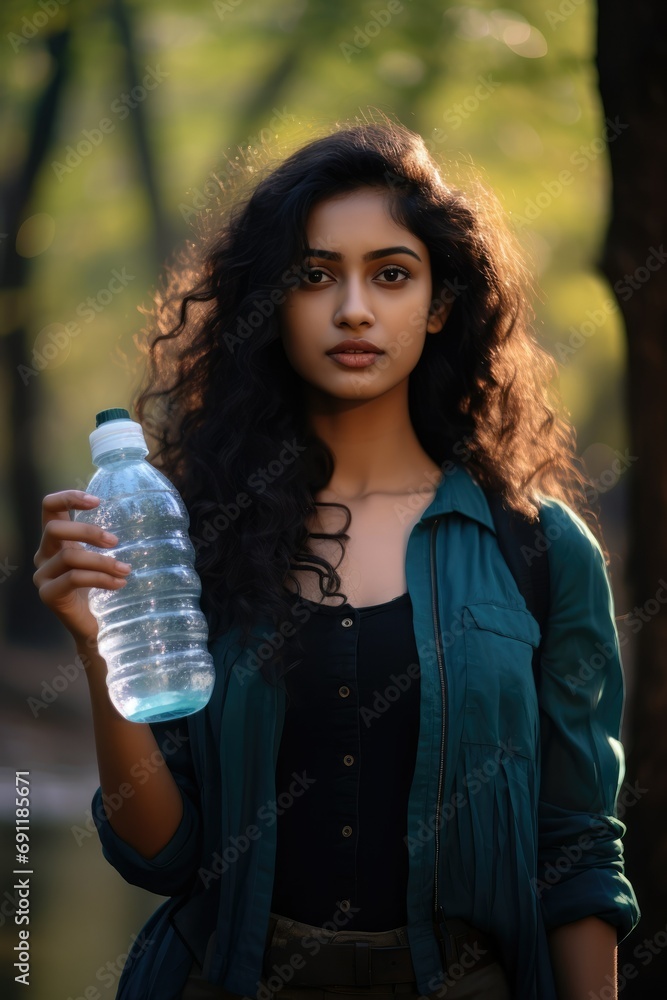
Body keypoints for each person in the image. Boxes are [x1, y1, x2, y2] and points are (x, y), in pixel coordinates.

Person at [33, 113, 640, 1000]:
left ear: (438, 306)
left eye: (390, 276)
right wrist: (101, 646)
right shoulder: (196, 536)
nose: (352, 309)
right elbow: (158, 854)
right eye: (313, 276)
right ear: (270, 304)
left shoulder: (539, 551)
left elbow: (578, 845)